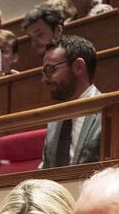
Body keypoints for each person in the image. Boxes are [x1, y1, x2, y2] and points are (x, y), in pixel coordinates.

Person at [40, 35, 101, 169]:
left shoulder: (110, 113)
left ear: (78, 67)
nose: (44, 80)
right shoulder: (54, 122)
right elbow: (46, 170)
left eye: (50, 69)